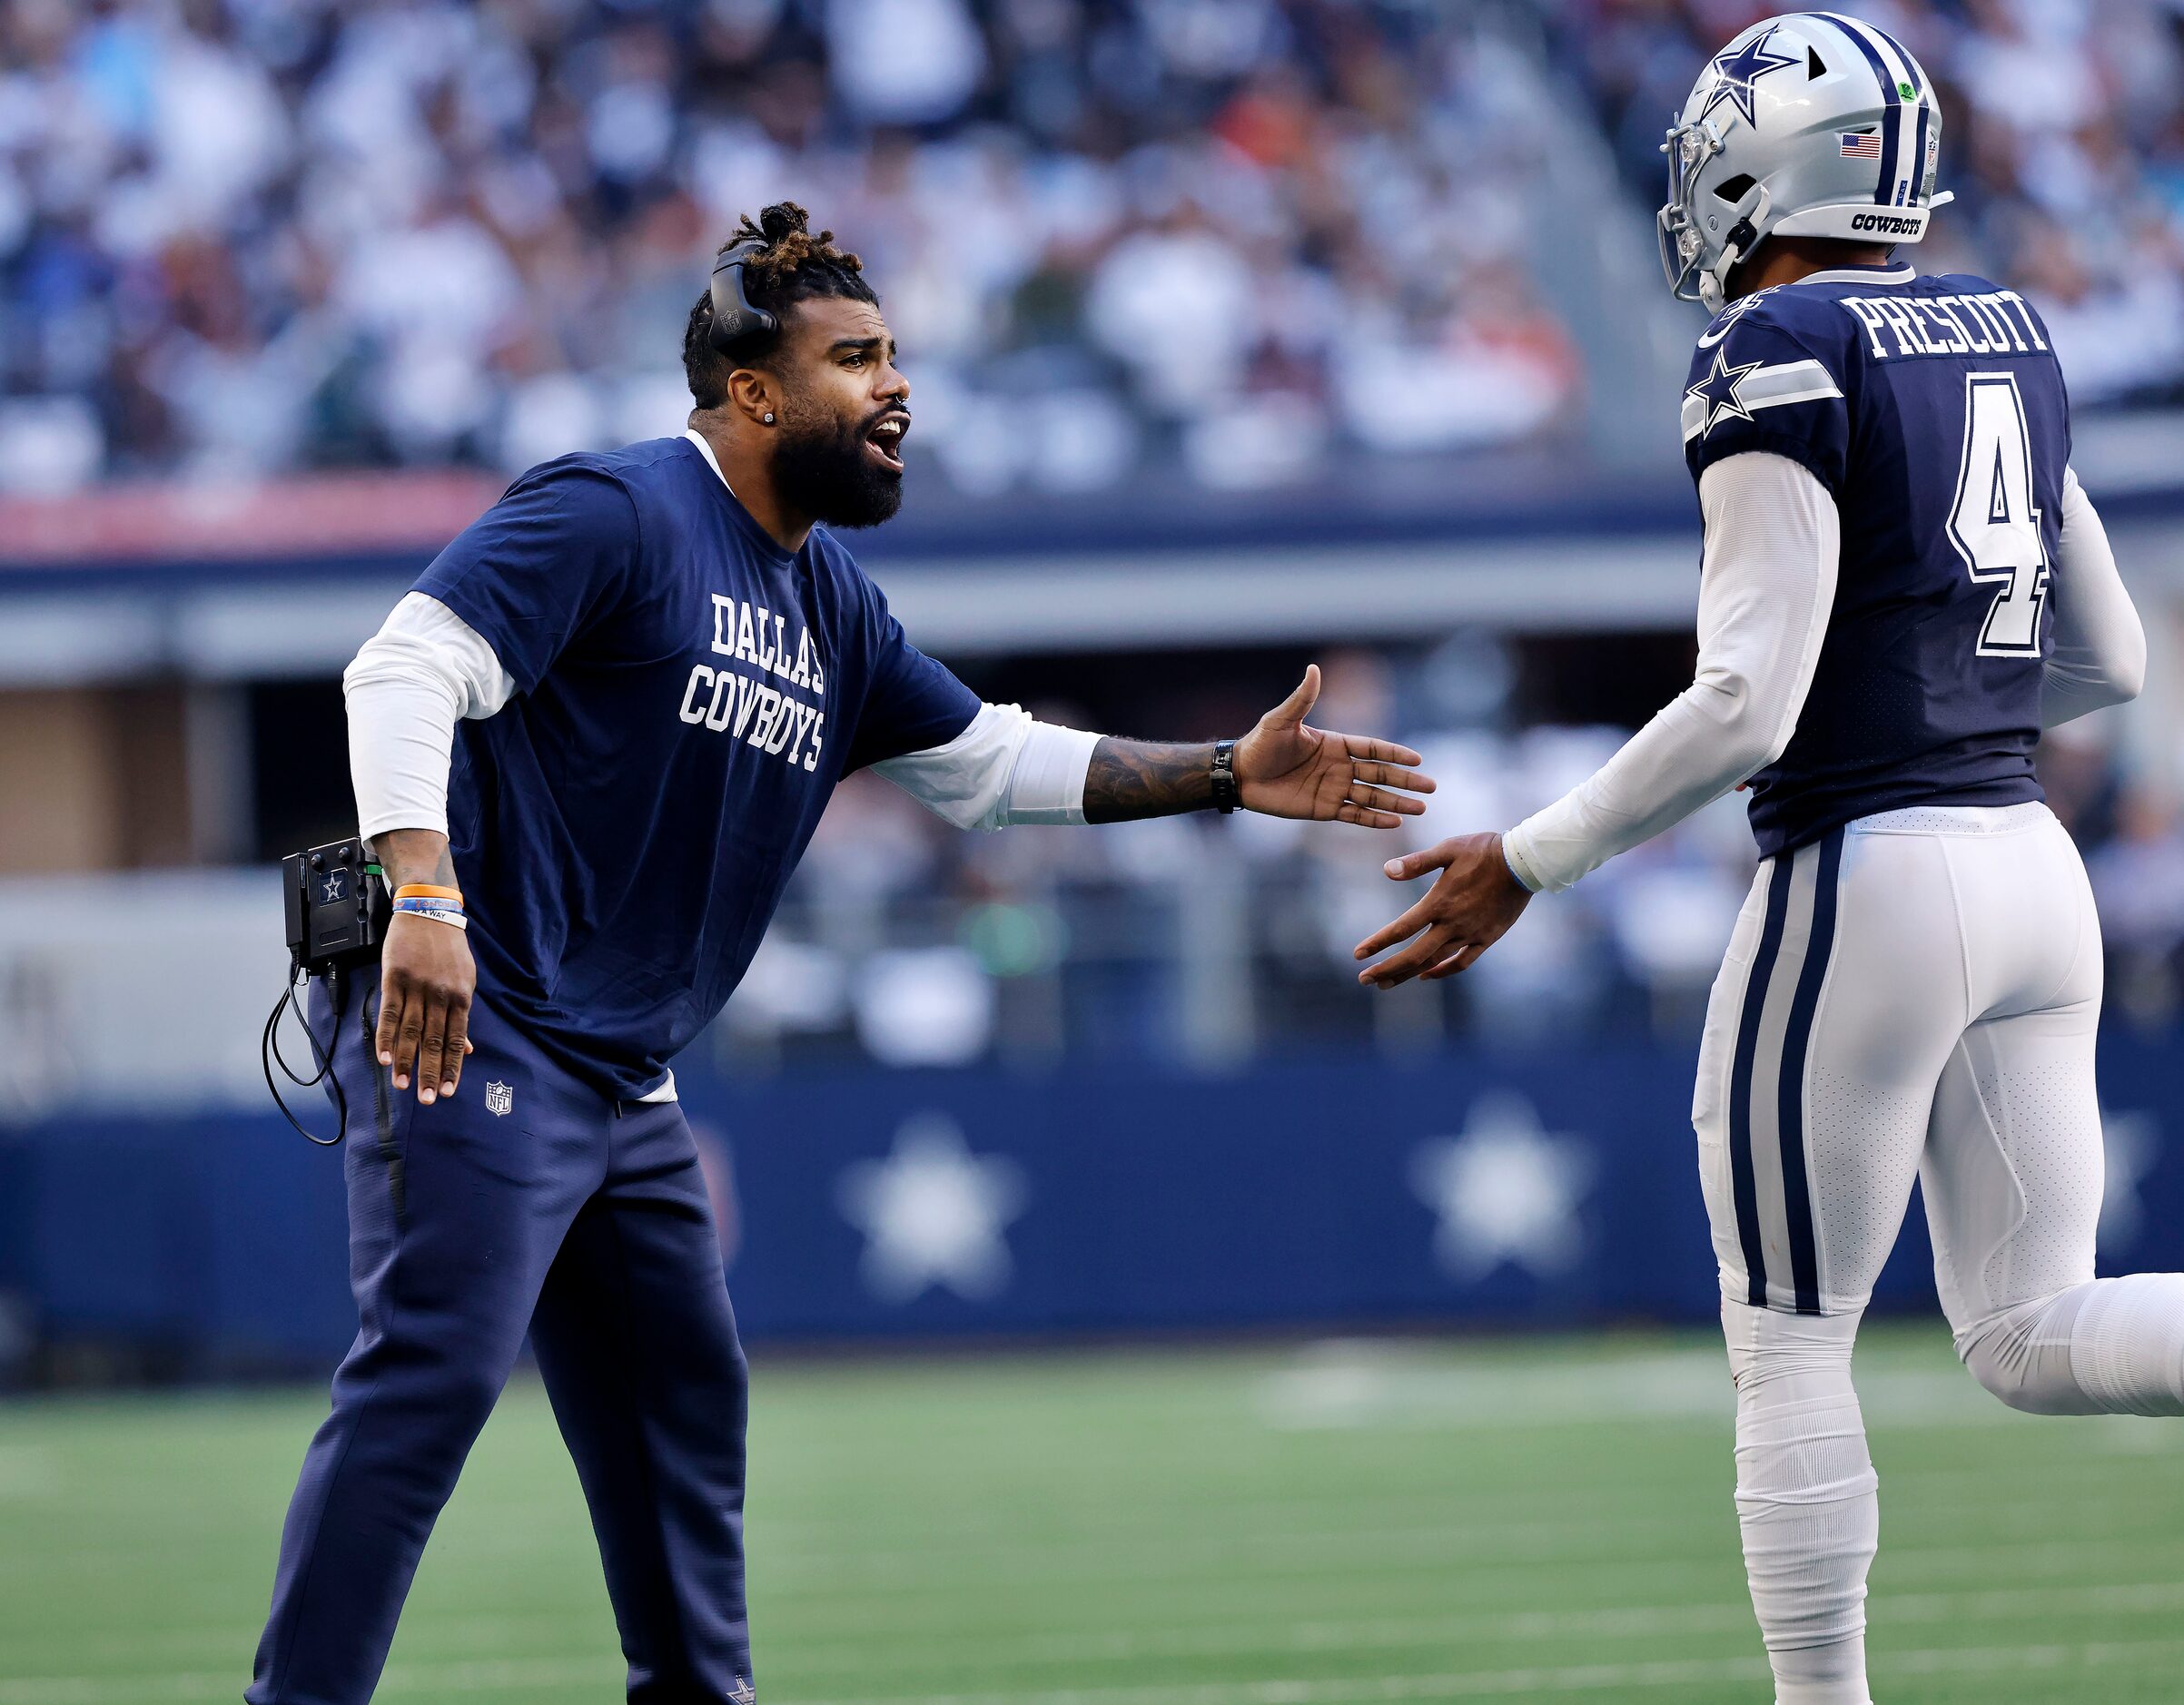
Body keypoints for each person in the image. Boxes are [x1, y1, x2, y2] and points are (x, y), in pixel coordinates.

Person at [249, 202, 1433, 1705]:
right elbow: (404, 663)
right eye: (856, 360)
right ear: (754, 392)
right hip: (484, 1025)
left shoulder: (830, 605)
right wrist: (423, 901)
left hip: (618, 1074)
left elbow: (990, 764)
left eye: (895, 358)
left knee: (684, 1412)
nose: (896, 390)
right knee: (429, 1382)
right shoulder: (617, 510)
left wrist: (1220, 770)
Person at [1353, 16, 2181, 1704]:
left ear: (1762, 164)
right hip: (2031, 862)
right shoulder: (2009, 328)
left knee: (1788, 1334)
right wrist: (1951, 678)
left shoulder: (1780, 342)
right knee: (2030, 1335)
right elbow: (2108, 659)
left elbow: (1744, 700)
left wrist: (1528, 853)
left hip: (1872, 871)